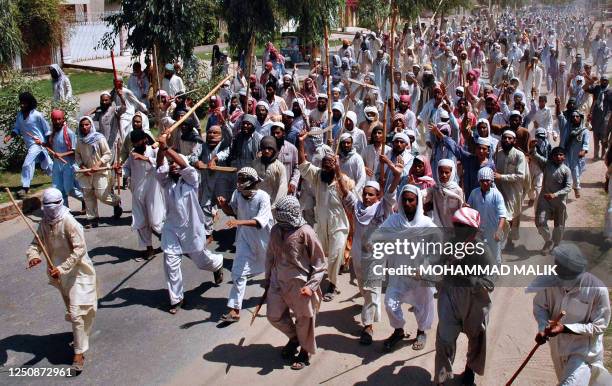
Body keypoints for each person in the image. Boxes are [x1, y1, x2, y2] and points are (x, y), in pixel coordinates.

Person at [26, 188, 97, 372]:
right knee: (75, 311)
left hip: (78, 272)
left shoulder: (70, 222)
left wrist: (63, 268)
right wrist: (33, 256)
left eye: (52, 205)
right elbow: (36, 244)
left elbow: (80, 250)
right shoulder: (44, 223)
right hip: (59, 276)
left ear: (60, 203)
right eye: (46, 206)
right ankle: (80, 334)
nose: (49, 209)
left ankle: (78, 354)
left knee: (76, 312)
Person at [155, 134, 224, 314]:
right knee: (170, 261)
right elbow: (159, 165)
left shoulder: (192, 178)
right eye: (172, 165)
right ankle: (177, 298)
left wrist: (166, 148)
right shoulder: (166, 182)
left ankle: (217, 264)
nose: (174, 166)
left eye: (177, 163)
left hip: (191, 227)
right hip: (171, 227)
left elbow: (185, 165)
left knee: (201, 261)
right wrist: (162, 150)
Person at [338, 156, 402, 345]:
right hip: (358, 254)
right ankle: (367, 306)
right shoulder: (357, 207)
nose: (366, 197)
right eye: (365, 193)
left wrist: (395, 174)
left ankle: (368, 326)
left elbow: (391, 191)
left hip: (376, 256)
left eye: (371, 194)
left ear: (378, 196)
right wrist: (336, 169)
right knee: (363, 286)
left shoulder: (383, 207)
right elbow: (344, 191)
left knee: (372, 289)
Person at [528, 244, 611, 386]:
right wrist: (543, 327)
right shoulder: (549, 281)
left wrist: (565, 328)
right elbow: (540, 306)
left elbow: (599, 326)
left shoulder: (597, 290)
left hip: (583, 352)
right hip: (558, 349)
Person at [434, 207, 496, 386]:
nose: (458, 229)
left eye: (463, 226)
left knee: (477, 338)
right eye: (456, 225)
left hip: (474, 299)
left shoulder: (482, 251)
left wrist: (466, 276)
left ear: (473, 229)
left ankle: (470, 370)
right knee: (444, 340)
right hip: (449, 296)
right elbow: (437, 266)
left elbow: (489, 282)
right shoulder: (449, 245)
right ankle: (443, 378)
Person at [265, 195, 327, 371]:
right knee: (273, 315)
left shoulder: (306, 232)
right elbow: (270, 254)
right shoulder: (275, 230)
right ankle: (294, 338)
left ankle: (305, 351)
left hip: (300, 285)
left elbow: (320, 264)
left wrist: (311, 286)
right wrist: (268, 277)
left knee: (304, 319)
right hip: (278, 280)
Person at [378, 184, 437, 352]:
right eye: (404, 200)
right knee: (390, 303)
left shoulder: (427, 224)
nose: (407, 203)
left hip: (420, 276)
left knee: (423, 305)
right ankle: (398, 330)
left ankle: (421, 331)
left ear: (417, 201)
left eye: (411, 200)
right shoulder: (394, 220)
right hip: (398, 274)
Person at [297, 130, 352, 302]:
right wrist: (301, 142)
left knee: (335, 256)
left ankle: (333, 285)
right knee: (318, 256)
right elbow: (303, 164)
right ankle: (315, 279)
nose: (326, 166)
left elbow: (347, 195)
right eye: (324, 163)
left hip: (339, 226)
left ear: (335, 165)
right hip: (321, 224)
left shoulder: (344, 180)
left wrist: (338, 172)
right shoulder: (318, 176)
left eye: (330, 164)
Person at [217, 167, 273, 322]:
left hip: (265, 241)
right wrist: (224, 206)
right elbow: (232, 211)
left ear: (251, 181)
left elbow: (259, 222)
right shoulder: (238, 194)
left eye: (242, 179)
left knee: (275, 272)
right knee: (238, 273)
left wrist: (238, 222)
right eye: (238, 179)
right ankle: (235, 310)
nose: (239, 183)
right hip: (244, 240)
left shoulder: (263, 197)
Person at [74, 116, 122, 228]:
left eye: (87, 124)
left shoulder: (99, 138)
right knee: (88, 196)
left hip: (100, 171)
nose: (84, 127)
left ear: (91, 125)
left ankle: (116, 202)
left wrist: (97, 165)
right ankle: (92, 218)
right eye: (82, 125)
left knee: (102, 195)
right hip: (86, 172)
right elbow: (77, 155)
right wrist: (82, 166)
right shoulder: (79, 140)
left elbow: (107, 154)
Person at [123, 130, 165, 260]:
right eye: (134, 143)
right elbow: (127, 167)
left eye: (138, 142)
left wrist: (145, 158)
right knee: (141, 221)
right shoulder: (132, 153)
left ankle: (169, 240)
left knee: (155, 220)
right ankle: (149, 248)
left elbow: (162, 164)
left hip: (153, 191)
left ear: (145, 140)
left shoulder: (154, 150)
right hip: (137, 192)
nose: (136, 145)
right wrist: (123, 172)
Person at [4, 92, 53, 198]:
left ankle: (25, 188)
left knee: (27, 164)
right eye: (21, 103)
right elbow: (17, 128)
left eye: (24, 103)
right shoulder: (20, 115)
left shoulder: (37, 115)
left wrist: (48, 143)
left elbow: (47, 130)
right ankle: (59, 178)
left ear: (30, 103)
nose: (22, 105)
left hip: (38, 144)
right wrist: (9, 137)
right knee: (47, 165)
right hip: (30, 145)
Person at [493, 130, 527, 251]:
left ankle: (508, 240)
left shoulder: (519, 155)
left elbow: (520, 176)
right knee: (502, 216)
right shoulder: (498, 154)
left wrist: (501, 177)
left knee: (511, 217)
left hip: (513, 191)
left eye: (509, 138)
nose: (506, 140)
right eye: (505, 138)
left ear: (514, 141)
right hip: (499, 190)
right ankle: (500, 241)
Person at [467, 167, 507, 264]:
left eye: (487, 181)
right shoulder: (474, 193)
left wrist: (498, 231)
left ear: (491, 181)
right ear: (479, 181)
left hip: (493, 230)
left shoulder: (496, 195)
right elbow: (469, 209)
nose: (485, 183)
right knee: (480, 254)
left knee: (495, 254)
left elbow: (503, 216)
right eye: (482, 181)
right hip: (478, 231)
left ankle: (496, 275)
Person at [48, 109, 84, 210]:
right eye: (54, 119)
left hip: (68, 165)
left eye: (59, 119)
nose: (57, 121)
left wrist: (61, 154)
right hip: (56, 165)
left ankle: (86, 199)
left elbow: (75, 151)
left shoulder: (69, 133)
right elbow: (50, 145)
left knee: (69, 189)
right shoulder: (53, 133)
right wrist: (41, 143)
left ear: (63, 119)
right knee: (57, 189)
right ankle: (65, 211)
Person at [556, 98, 589, 198]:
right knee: (563, 173)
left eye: (577, 116)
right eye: (573, 116)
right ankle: (563, 192)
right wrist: (558, 105)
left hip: (576, 156)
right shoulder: (566, 126)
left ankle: (576, 188)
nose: (574, 118)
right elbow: (560, 116)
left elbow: (586, 144)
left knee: (575, 173)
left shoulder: (584, 131)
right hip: (564, 154)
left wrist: (583, 151)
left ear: (580, 118)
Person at [423, 159, 464, 228]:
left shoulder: (458, 190)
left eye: (447, 172)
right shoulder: (435, 188)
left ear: (452, 172)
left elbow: (461, 211)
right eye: (441, 172)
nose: (444, 175)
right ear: (437, 172)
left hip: (453, 229)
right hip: (438, 227)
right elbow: (422, 194)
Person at [252, 136, 288, 207]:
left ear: (274, 149)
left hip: (272, 203)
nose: (267, 151)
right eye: (264, 148)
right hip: (256, 202)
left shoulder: (279, 166)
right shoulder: (254, 163)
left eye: (269, 148)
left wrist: (276, 205)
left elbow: (283, 187)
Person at [270, 122, 300, 195]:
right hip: (272, 189)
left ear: (283, 133)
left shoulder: (292, 148)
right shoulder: (268, 149)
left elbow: (297, 168)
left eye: (278, 133)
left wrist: (293, 182)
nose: (275, 135)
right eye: (273, 133)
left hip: (288, 188)